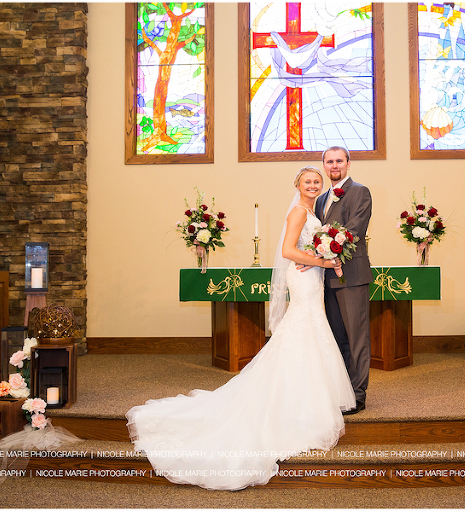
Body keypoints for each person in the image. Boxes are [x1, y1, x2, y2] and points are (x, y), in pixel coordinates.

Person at [126, 166, 355, 491]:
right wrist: (321, 261)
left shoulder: (313, 213)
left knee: (310, 330)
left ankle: (304, 401)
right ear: (298, 185)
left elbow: (308, 249)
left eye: (317, 181)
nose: (313, 185)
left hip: (313, 277)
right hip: (305, 279)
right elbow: (288, 251)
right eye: (308, 181)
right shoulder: (298, 212)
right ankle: (294, 405)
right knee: (303, 328)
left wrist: (326, 257)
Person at [314, 146, 373, 415]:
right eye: (329, 161)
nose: (334, 165)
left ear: (349, 163)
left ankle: (358, 394)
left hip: (351, 276)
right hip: (327, 277)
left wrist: (327, 251)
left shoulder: (359, 191)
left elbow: (354, 230)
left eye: (339, 160)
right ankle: (342, 390)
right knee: (338, 338)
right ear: (324, 165)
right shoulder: (320, 199)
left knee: (357, 337)